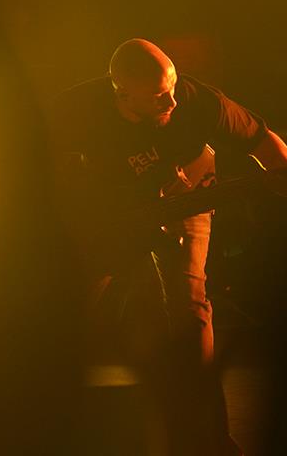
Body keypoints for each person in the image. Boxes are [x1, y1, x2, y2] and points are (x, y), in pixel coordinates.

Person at [51, 38, 287, 456]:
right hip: (115, 208)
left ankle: (211, 439)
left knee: (189, 301)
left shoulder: (199, 100)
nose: (173, 102)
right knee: (72, 301)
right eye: (160, 96)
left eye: (173, 87)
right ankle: (42, 411)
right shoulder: (77, 110)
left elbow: (265, 143)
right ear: (122, 94)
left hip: (186, 193)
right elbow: (28, 159)